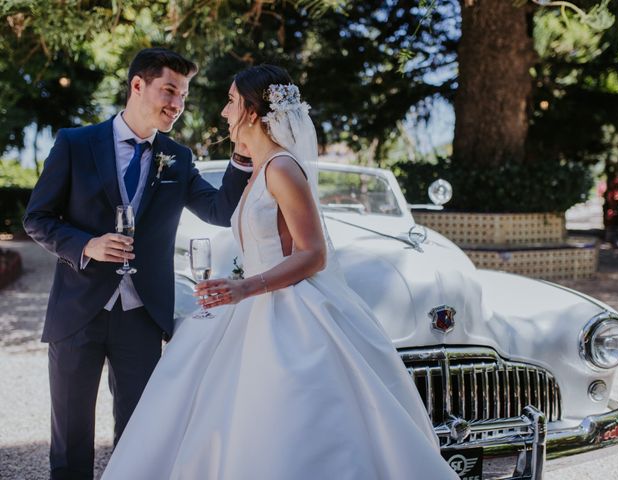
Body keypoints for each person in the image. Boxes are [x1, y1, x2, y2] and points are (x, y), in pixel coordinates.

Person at [101, 65, 458, 479]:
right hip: (251, 305)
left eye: (232, 101)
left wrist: (245, 287)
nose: (224, 112)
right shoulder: (260, 168)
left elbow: (313, 254)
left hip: (289, 311)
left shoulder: (283, 168)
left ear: (253, 112)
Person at [23, 48, 252, 480]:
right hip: (78, 312)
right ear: (137, 85)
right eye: (169, 90)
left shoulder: (177, 158)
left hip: (142, 317)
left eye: (183, 96)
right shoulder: (75, 144)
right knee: (70, 437)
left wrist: (242, 155)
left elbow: (221, 211)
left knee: (139, 436)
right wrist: (87, 244)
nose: (177, 105)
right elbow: (36, 218)